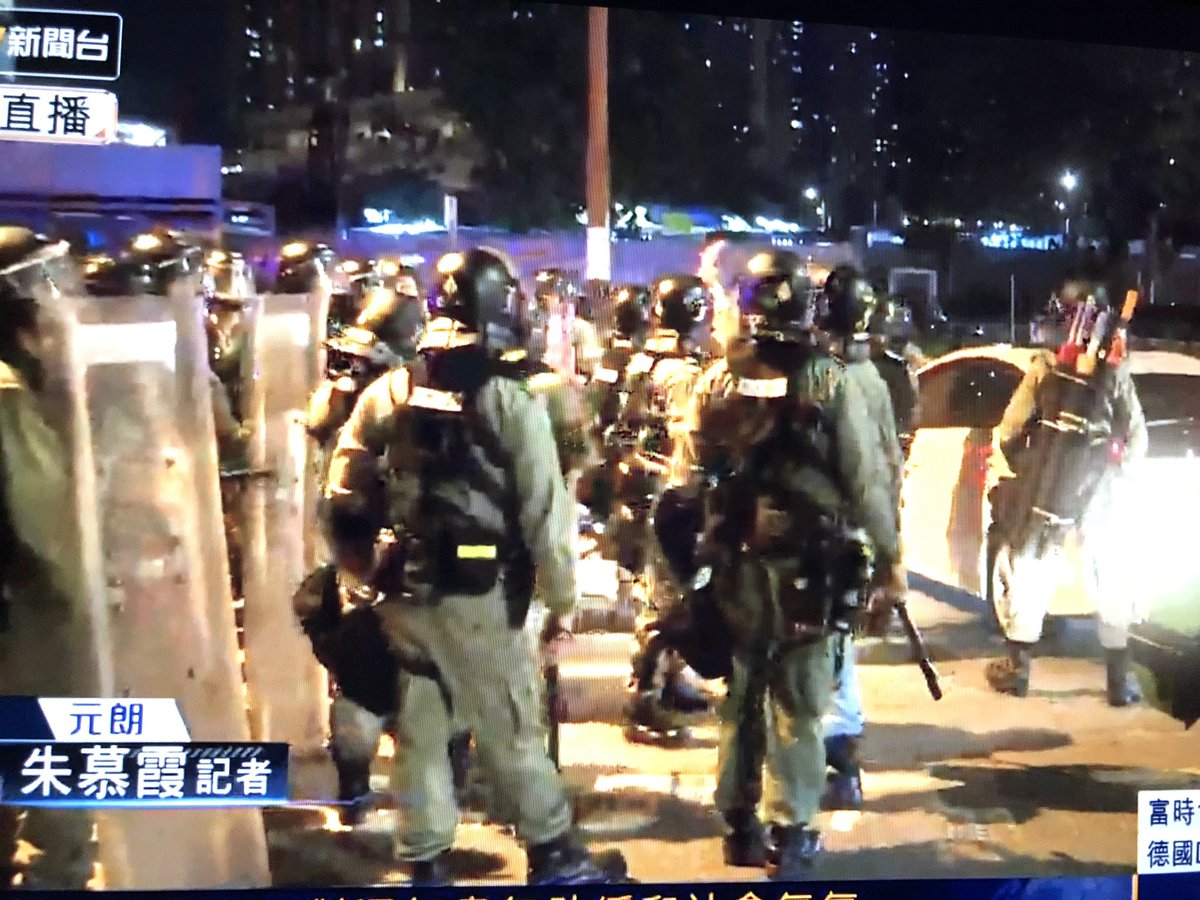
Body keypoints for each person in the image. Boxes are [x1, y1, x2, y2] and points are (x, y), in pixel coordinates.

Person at [321, 247, 625, 886]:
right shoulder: (510, 399)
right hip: (480, 598)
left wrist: (359, 565)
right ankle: (556, 855)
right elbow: (546, 510)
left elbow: (342, 482)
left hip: (403, 590)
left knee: (424, 728)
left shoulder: (394, 387)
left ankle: (424, 858)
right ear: (498, 305)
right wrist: (562, 598)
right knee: (512, 725)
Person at [674, 249, 900, 878]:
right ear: (804, 303)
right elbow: (866, 482)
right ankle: (791, 834)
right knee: (797, 708)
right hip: (810, 569)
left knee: (741, 695)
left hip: (737, 569)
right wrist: (890, 561)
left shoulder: (714, 380)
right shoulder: (830, 380)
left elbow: (689, 474)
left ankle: (738, 826)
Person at [295, 281, 437, 826]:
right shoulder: (392, 387)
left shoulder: (341, 379)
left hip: (347, 539)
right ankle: (418, 792)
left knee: (357, 664)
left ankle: (354, 786)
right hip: (386, 540)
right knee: (397, 668)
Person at [987, 280, 1148, 706]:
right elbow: (1137, 441)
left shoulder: (1044, 369)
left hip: (1051, 488)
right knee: (1110, 578)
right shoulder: (1115, 375)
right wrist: (1113, 480)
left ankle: (1017, 669)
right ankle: (1118, 681)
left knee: (1032, 567)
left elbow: (1007, 431)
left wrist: (1031, 468)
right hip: (1098, 492)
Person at [0, 228, 97, 889]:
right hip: (31, 609)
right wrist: (96, 597)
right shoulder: (8, 393)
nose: (61, 300)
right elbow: (46, 521)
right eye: (45, 286)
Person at [817, 270, 908, 812]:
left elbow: (872, 475)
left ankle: (839, 766)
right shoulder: (867, 375)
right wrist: (889, 551)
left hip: (829, 538)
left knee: (830, 653)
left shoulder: (832, 377)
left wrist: (888, 554)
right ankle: (834, 763)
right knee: (833, 651)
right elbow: (883, 474)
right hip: (845, 536)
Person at [620, 275, 715, 740]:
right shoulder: (681, 373)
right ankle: (645, 698)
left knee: (661, 592)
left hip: (642, 483)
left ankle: (671, 680)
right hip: (668, 492)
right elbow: (688, 441)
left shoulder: (643, 358)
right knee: (666, 600)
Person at [529, 268, 602, 378]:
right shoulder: (552, 326)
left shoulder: (581, 327)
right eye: (543, 300)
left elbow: (589, 364)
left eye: (548, 298)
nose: (545, 304)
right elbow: (550, 359)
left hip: (578, 381)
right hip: (559, 380)